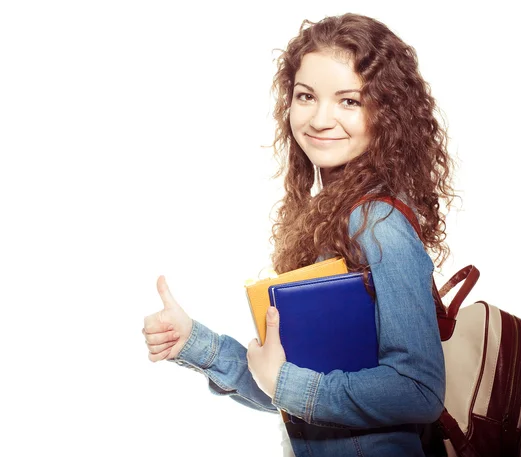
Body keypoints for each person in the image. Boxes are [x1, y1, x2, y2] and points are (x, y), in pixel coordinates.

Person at [142, 12, 455, 457]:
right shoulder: (329, 216)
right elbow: (296, 391)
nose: (321, 119)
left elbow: (419, 390)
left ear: (387, 113)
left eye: (349, 101)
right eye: (307, 96)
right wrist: (193, 341)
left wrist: (290, 384)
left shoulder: (378, 224)